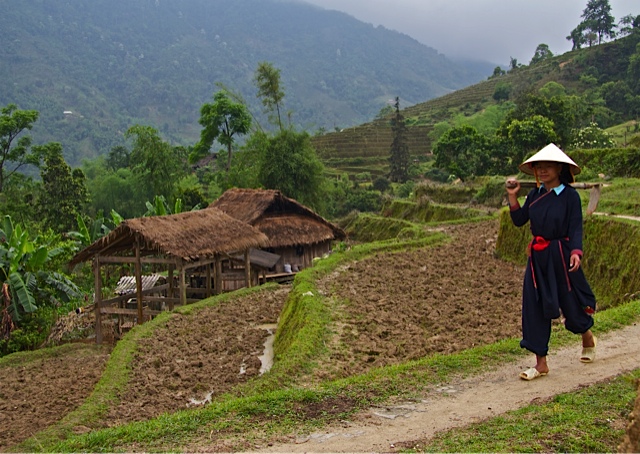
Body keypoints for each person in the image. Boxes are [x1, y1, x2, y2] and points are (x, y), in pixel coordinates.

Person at [505, 143, 597, 381]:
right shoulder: (535, 195)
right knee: (534, 304)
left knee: (569, 301)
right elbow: (519, 220)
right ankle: (541, 363)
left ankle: (586, 333)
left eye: (548, 166)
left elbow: (576, 226)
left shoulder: (569, 196)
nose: (543, 170)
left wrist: (576, 251)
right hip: (538, 257)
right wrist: (513, 198)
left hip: (561, 253)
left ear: (559, 168)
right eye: (539, 167)